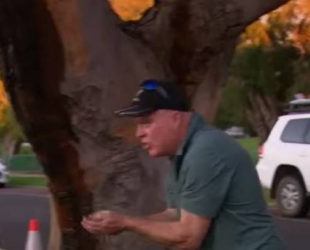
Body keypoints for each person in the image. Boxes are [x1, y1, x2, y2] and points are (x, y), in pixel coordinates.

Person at [81, 80, 285, 250]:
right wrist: (121, 222)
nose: (139, 133)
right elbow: (176, 215)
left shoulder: (206, 151)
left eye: (146, 122)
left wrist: (127, 222)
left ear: (176, 118)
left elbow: (188, 237)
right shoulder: (183, 153)